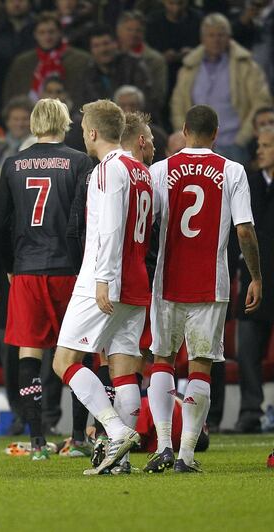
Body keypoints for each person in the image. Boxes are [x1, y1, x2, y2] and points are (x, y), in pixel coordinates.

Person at [146, 105, 262, 473]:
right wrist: (256, 276)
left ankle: (163, 445)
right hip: (212, 283)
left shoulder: (160, 170)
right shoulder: (233, 170)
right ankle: (186, 455)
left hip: (166, 281)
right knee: (201, 366)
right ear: (215, 134)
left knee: (161, 360)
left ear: (183, 130)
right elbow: (244, 230)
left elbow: (144, 224)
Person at [0, 98, 92, 460]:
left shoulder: (12, 164)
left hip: (28, 270)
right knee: (77, 353)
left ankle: (36, 442)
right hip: (69, 271)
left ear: (33, 124)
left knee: (28, 352)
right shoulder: (80, 162)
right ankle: (78, 438)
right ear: (65, 123)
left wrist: (9, 267)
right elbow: (84, 220)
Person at [51, 99, 150, 476]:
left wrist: (104, 279)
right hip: (137, 279)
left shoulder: (108, 170)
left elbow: (109, 226)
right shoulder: (140, 171)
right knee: (123, 369)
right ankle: (120, 462)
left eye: (83, 132)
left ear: (92, 133)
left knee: (64, 361)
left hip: (103, 279)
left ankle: (115, 430)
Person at [170, 13, 273, 164]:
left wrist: (241, 139)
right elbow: (177, 105)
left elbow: (261, 103)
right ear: (203, 38)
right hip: (196, 145)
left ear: (229, 37)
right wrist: (186, 137)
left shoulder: (247, 66)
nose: (216, 40)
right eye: (211, 35)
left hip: (234, 145)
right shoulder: (189, 68)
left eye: (221, 35)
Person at [234, 126, 274, 433]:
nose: (259, 151)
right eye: (258, 145)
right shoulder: (248, 183)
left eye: (266, 146)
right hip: (253, 279)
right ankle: (249, 411)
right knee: (247, 348)